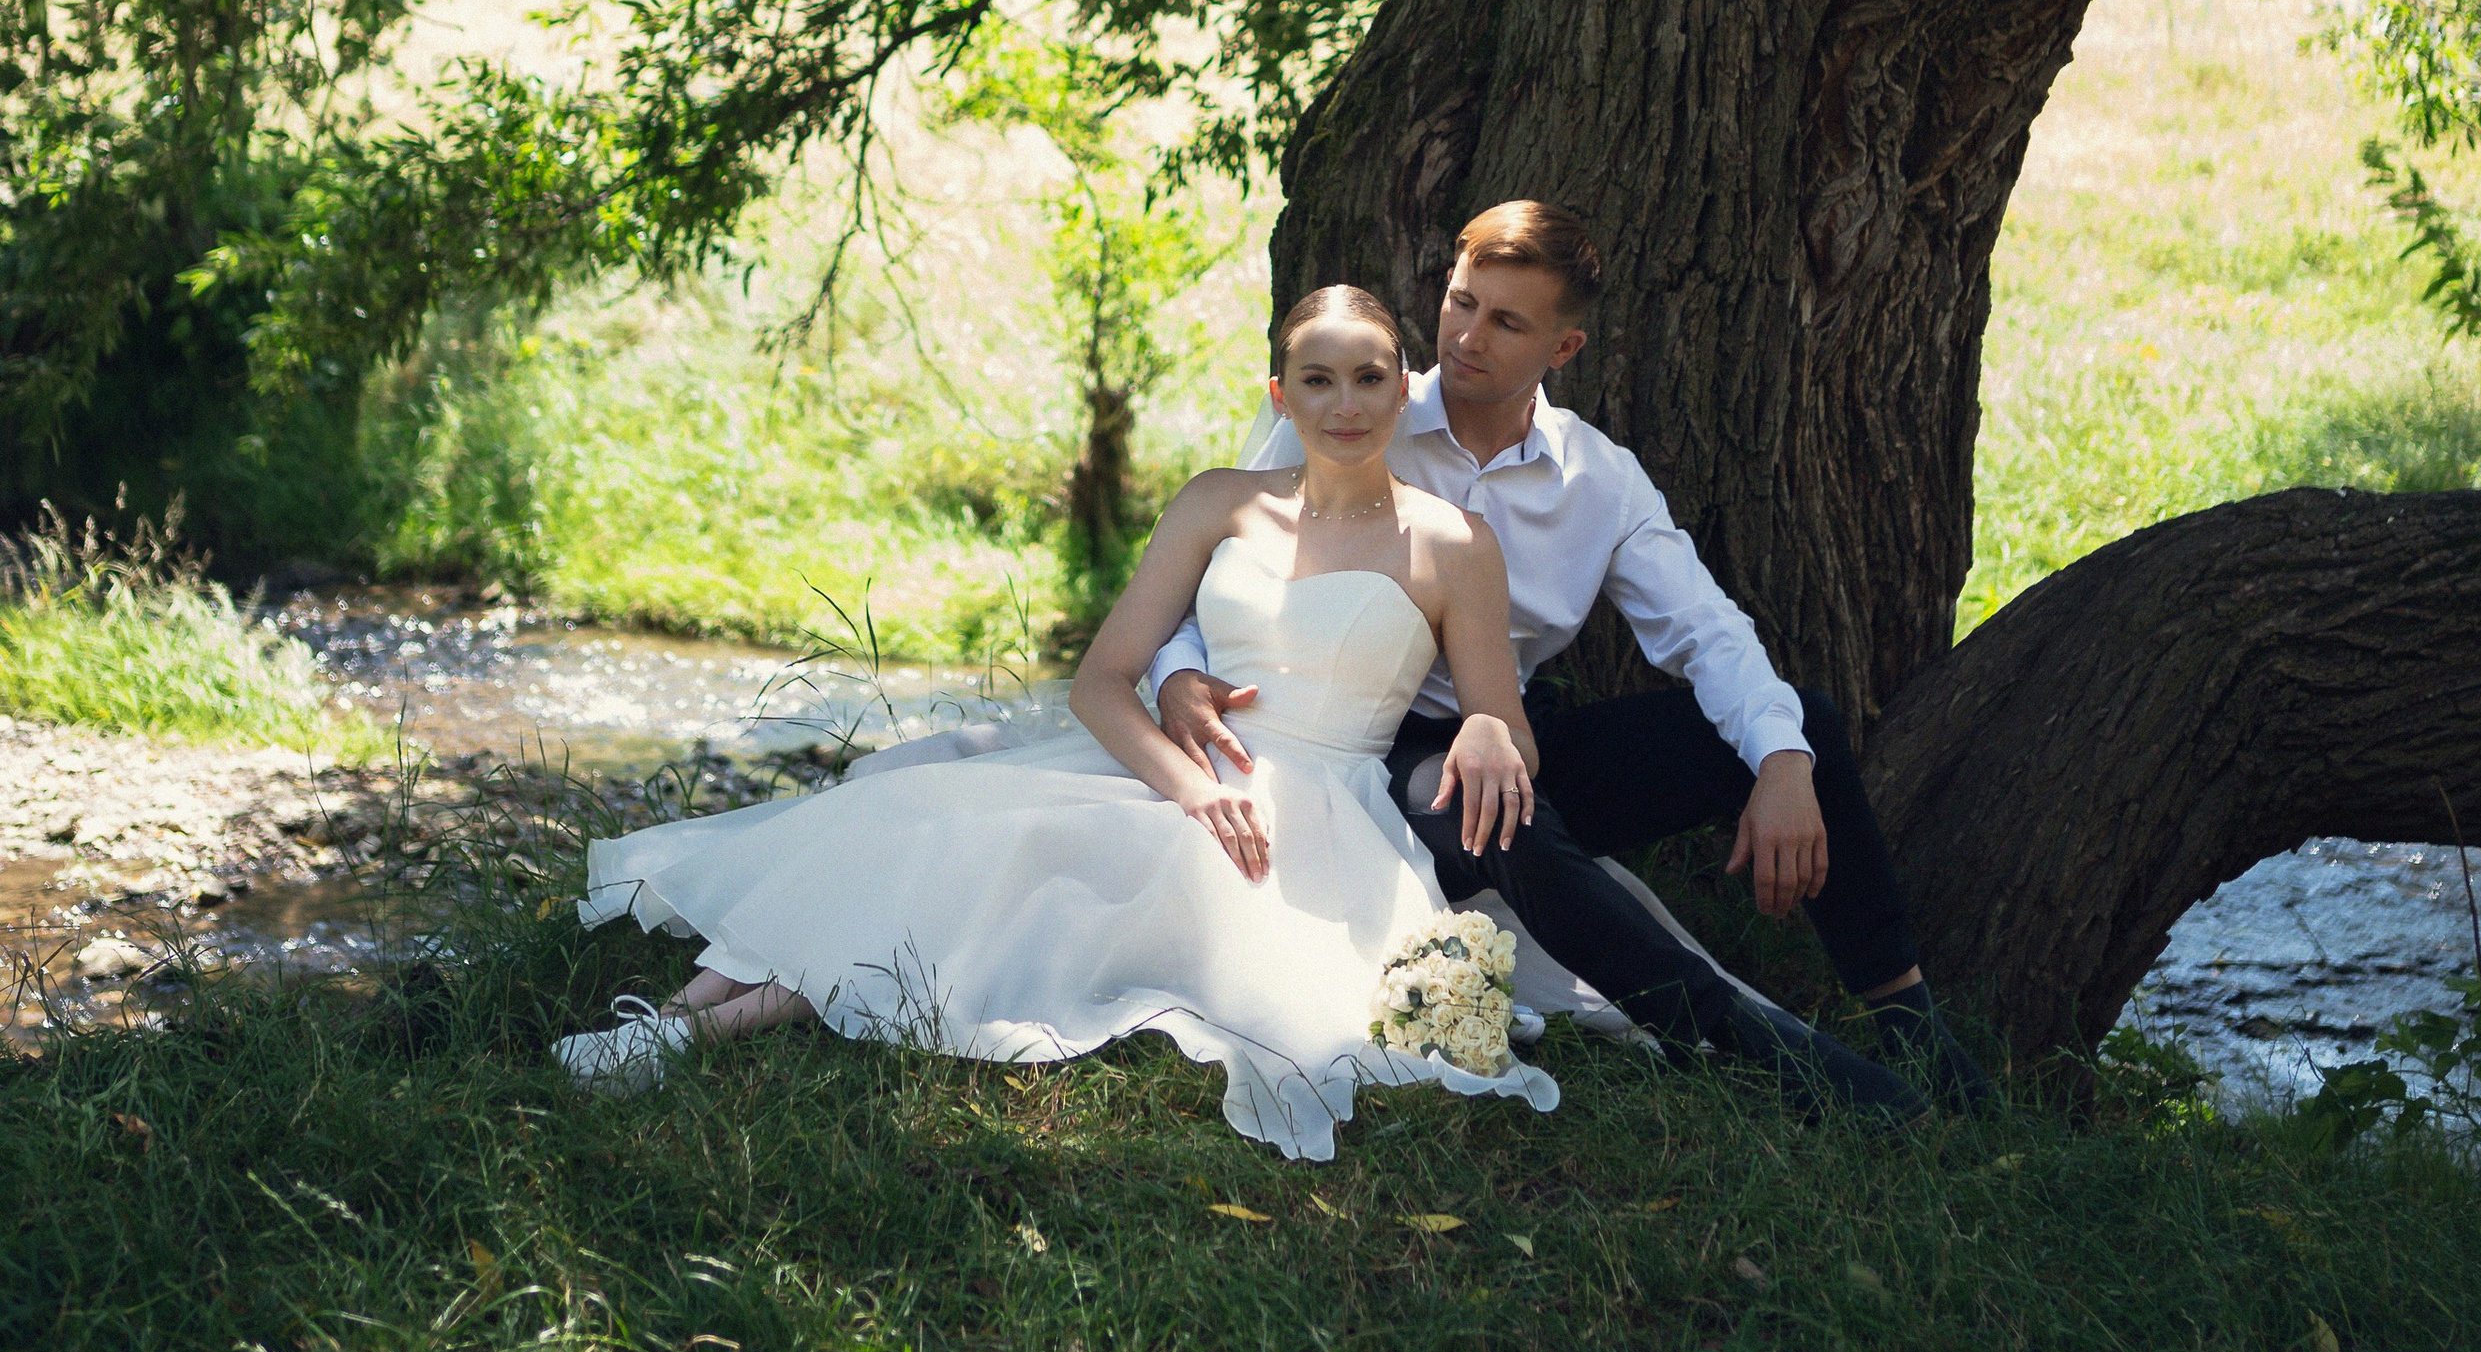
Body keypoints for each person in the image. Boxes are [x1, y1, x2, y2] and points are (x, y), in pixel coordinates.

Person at [548, 283, 1561, 1162]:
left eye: (1370, 378)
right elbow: (1102, 680)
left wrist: (1484, 732)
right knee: (928, 831)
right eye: (1318, 379)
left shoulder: (1454, 543)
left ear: (1402, 385)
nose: (1346, 405)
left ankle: (692, 1037)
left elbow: (1505, 730)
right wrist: (1195, 787)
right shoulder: (1221, 502)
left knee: (1011, 872)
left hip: (1320, 822)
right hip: (1179, 773)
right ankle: (666, 1018)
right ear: (1279, 394)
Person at [1149, 203, 1996, 1123]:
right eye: (1462, 303)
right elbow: (1228, 570)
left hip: (1512, 729)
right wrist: (1177, 676)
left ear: (1565, 347)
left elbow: (1706, 631)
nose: (1468, 337)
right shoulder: (1357, 403)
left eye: (1507, 322)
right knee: (1489, 813)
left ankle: (1908, 1021)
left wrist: (1786, 764)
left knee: (1802, 725)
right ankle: (1747, 1038)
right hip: (1366, 753)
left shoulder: (1599, 481)